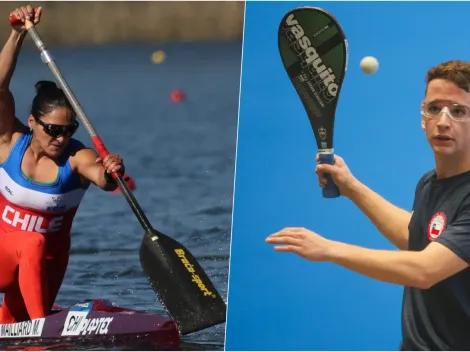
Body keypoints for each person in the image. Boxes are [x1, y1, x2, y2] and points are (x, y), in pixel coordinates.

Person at [266, 59, 470, 350]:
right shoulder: (430, 183)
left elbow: (425, 269)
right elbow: (418, 237)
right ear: (422, 117)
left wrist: (328, 249)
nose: (443, 121)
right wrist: (352, 188)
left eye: (458, 111)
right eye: (434, 108)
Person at [0, 5, 125, 324]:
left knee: (15, 330)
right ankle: (43, 334)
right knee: (33, 240)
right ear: (32, 122)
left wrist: (113, 171)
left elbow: (103, 178)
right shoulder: (10, 142)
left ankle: (30, 332)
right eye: (53, 130)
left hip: (48, 265)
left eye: (69, 130)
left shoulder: (76, 157)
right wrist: (17, 34)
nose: (61, 137)